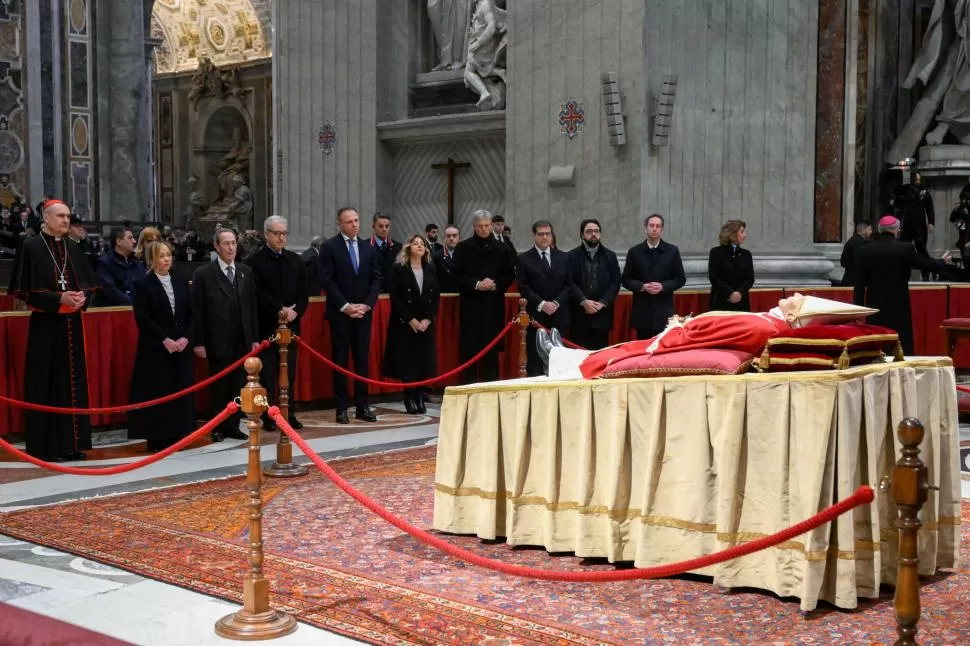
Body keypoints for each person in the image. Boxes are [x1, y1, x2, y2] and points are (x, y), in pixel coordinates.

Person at [539, 294, 877, 380]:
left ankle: (560, 361)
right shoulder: (770, 322)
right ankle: (561, 356)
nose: (796, 294)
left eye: (799, 300)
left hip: (684, 338)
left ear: (795, 317)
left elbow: (710, 332)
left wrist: (679, 329)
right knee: (626, 348)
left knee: (631, 351)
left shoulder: (765, 327)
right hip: (690, 332)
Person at [8, 199, 98, 461]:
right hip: (46, 328)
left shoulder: (74, 246)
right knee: (48, 383)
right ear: (46, 218)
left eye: (68, 216)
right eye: (60, 216)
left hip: (72, 325)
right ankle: (47, 448)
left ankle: (72, 445)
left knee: (72, 383)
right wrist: (59, 299)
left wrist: (82, 299)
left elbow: (89, 285)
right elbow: (24, 290)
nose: (66, 221)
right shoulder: (31, 247)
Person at [192, 228, 260, 442]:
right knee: (219, 386)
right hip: (217, 340)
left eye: (233, 243)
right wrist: (198, 342)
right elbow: (197, 310)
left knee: (238, 384)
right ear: (216, 246)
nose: (231, 247)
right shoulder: (203, 274)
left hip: (242, 339)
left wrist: (254, 338)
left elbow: (252, 307)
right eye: (226, 243)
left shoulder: (245, 271)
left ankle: (233, 425)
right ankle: (218, 426)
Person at [128, 241, 196, 452]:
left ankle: (181, 434)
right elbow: (143, 318)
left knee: (180, 390)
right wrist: (164, 340)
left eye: (168, 255)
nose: (166, 259)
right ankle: (158, 438)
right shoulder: (143, 284)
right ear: (152, 259)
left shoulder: (181, 281)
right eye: (161, 256)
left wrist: (186, 337)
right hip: (156, 349)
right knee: (159, 391)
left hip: (181, 347)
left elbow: (192, 313)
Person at [319, 206, 383, 424]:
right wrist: (345, 306)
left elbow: (376, 279)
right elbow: (327, 280)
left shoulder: (368, 248)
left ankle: (363, 406)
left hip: (363, 315)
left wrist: (366, 305)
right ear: (340, 224)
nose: (354, 224)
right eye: (349, 222)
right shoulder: (329, 247)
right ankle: (342, 407)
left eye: (356, 220)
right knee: (340, 362)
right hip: (341, 315)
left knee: (362, 361)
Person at [854, 215, 952, 355]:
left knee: (877, 342)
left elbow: (859, 284)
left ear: (880, 230)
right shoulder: (904, 248)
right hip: (898, 304)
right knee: (900, 341)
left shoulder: (865, 250)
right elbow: (923, 263)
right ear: (896, 231)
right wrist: (941, 263)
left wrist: (857, 310)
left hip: (874, 306)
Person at [248, 216, 309, 430]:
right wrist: (279, 310)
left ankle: (288, 413)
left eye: (284, 233)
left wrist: (295, 312)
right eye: (277, 233)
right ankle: (268, 415)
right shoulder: (255, 261)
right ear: (266, 234)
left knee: (288, 373)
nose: (281, 237)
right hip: (267, 326)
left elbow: (304, 293)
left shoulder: (295, 259)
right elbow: (257, 293)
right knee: (268, 373)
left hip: (291, 327)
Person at [452, 210, 515, 383]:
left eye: (487, 226)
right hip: (470, 306)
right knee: (469, 351)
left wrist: (495, 284)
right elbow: (456, 276)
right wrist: (476, 284)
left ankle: (490, 388)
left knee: (491, 351)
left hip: (493, 306)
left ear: (491, 226)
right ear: (474, 226)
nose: (484, 229)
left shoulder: (503, 248)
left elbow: (509, 275)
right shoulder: (463, 248)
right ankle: (467, 388)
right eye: (480, 226)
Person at [384, 234, 440, 414]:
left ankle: (419, 395)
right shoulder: (399, 268)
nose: (419, 246)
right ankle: (409, 397)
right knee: (407, 362)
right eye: (415, 243)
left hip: (425, 322)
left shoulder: (430, 268)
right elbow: (395, 297)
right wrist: (411, 320)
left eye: (422, 243)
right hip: (405, 322)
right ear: (408, 247)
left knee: (422, 361)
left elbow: (435, 297)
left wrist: (428, 319)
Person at [517, 220, 573, 376]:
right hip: (536, 315)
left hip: (559, 313)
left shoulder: (564, 257)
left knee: (559, 356)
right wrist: (542, 304)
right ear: (534, 236)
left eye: (547, 234)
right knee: (534, 357)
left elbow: (569, 285)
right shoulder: (524, 259)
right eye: (541, 234)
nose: (544, 237)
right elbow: (523, 286)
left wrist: (555, 303)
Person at [622, 214, 686, 339]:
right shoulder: (634, 251)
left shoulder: (672, 251)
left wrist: (663, 286)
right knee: (643, 347)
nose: (654, 228)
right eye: (651, 225)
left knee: (662, 347)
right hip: (642, 309)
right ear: (645, 228)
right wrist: (642, 286)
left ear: (662, 229)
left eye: (658, 226)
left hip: (663, 309)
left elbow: (680, 279)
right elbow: (625, 279)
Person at [567, 218, 621, 351]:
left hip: (602, 314)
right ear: (581, 235)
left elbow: (615, 282)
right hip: (579, 314)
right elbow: (569, 282)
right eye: (589, 231)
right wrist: (583, 301)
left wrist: (602, 303)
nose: (593, 234)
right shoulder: (571, 256)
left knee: (599, 355)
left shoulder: (610, 256)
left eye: (596, 231)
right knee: (578, 356)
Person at [708, 220, 755, 311]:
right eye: (742, 232)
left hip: (742, 303)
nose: (745, 235)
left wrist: (739, 293)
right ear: (732, 234)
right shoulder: (716, 253)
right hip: (721, 302)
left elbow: (750, 279)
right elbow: (714, 278)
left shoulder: (746, 254)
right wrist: (730, 293)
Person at [95, 227, 144, 306]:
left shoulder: (137, 263)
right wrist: (133, 304)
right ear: (119, 241)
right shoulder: (105, 263)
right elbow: (110, 290)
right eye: (130, 238)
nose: (134, 241)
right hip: (115, 313)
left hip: (139, 312)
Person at [370, 212, 402, 292]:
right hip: (371, 293)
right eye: (381, 226)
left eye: (387, 226)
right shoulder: (364, 246)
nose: (384, 229)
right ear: (374, 227)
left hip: (393, 292)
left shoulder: (398, 247)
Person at [840, 221, 872, 286]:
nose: (871, 232)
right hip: (855, 282)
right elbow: (860, 263)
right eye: (869, 229)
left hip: (847, 279)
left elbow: (842, 262)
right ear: (863, 230)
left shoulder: (850, 241)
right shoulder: (860, 242)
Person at [433, 225, 460, 293]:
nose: (451, 238)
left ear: (459, 238)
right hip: (444, 296)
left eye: (454, 235)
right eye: (448, 236)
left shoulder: (466, 255)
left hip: (462, 297)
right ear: (444, 238)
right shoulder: (436, 256)